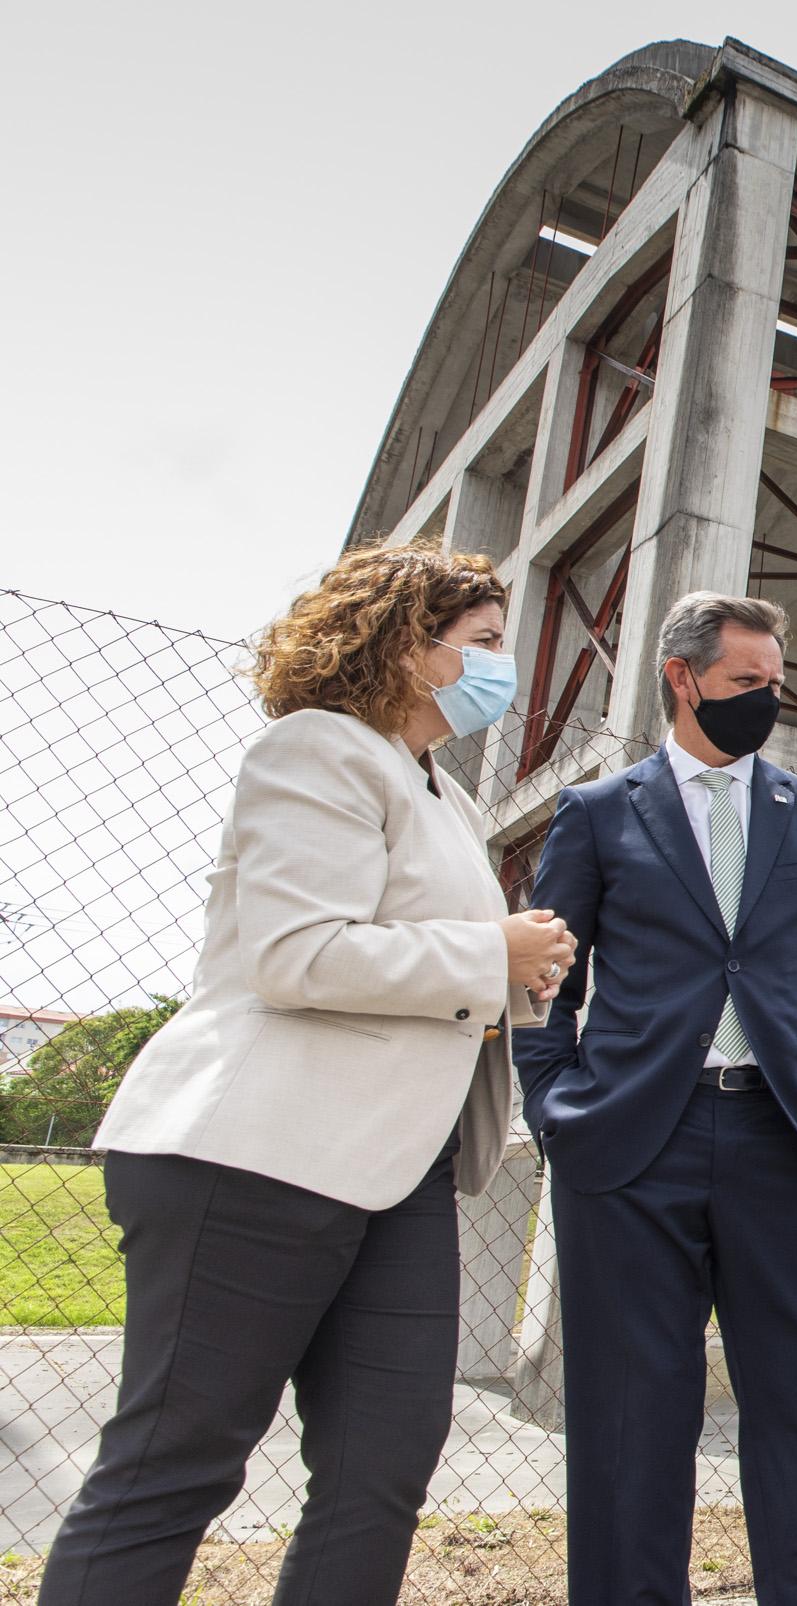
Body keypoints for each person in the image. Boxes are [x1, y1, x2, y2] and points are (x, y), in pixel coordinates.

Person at [41, 542, 575, 1606]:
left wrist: (522, 974)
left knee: (382, 1468)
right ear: (403, 647)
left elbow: (429, 970)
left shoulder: (450, 804)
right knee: (177, 1461)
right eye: (482, 644)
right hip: (256, 1153)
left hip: (400, 1169)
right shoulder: (318, 752)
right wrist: (489, 954)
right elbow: (298, 955)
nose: (501, 668)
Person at [514, 591, 797, 1605]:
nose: (767, 699)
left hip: (789, 1137)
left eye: (775, 684)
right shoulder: (597, 813)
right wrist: (557, 1109)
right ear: (682, 679)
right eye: (744, 684)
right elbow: (549, 978)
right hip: (631, 1142)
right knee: (630, 1420)